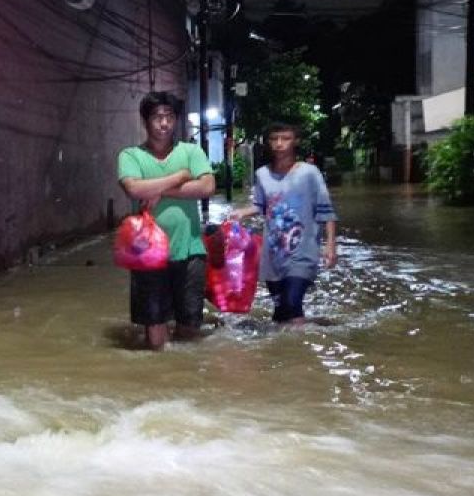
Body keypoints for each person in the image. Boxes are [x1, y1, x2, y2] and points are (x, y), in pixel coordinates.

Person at [117, 92, 216, 349]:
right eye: (157, 117)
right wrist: (179, 177)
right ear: (145, 121)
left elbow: (207, 187)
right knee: (155, 329)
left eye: (169, 117)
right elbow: (133, 189)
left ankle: (185, 380)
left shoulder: (191, 151)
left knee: (190, 324)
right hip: (146, 253)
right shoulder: (130, 156)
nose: (163, 123)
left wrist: (160, 190)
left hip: (191, 249)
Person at [229, 121, 337, 325]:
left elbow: (326, 209)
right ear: (268, 143)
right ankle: (289, 344)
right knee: (280, 313)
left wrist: (330, 246)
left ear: (296, 141)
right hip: (273, 255)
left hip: (303, 251)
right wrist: (241, 212)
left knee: (292, 302)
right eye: (274, 139)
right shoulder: (262, 174)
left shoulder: (309, 173)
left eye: (285, 139)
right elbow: (262, 206)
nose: (279, 144)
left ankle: (298, 352)